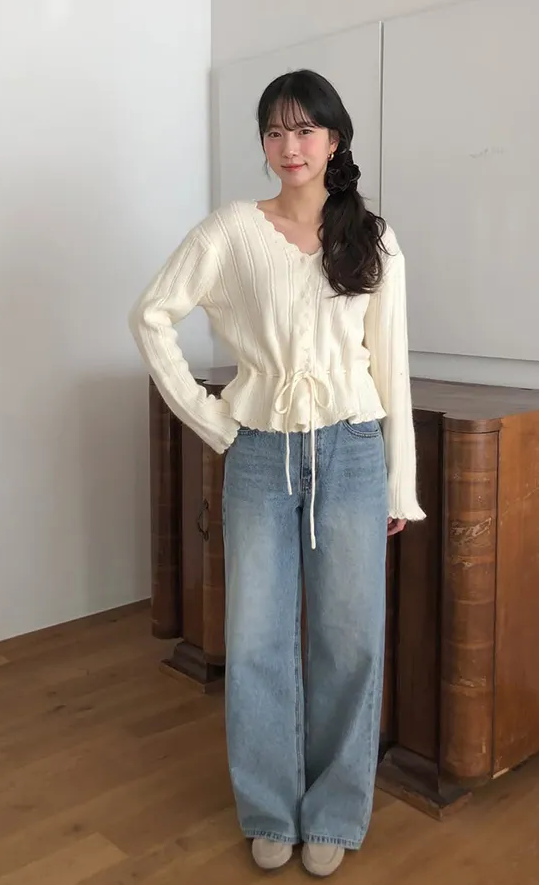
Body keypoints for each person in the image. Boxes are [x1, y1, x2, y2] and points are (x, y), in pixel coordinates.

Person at [130, 69, 425, 877]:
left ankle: (334, 811)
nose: (288, 146)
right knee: (257, 638)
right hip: (260, 453)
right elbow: (150, 315)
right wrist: (213, 421)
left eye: (304, 129)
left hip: (352, 453)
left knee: (348, 641)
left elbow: (390, 366)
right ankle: (268, 807)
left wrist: (398, 484)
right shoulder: (231, 230)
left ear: (334, 140)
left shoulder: (373, 237)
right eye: (274, 130)